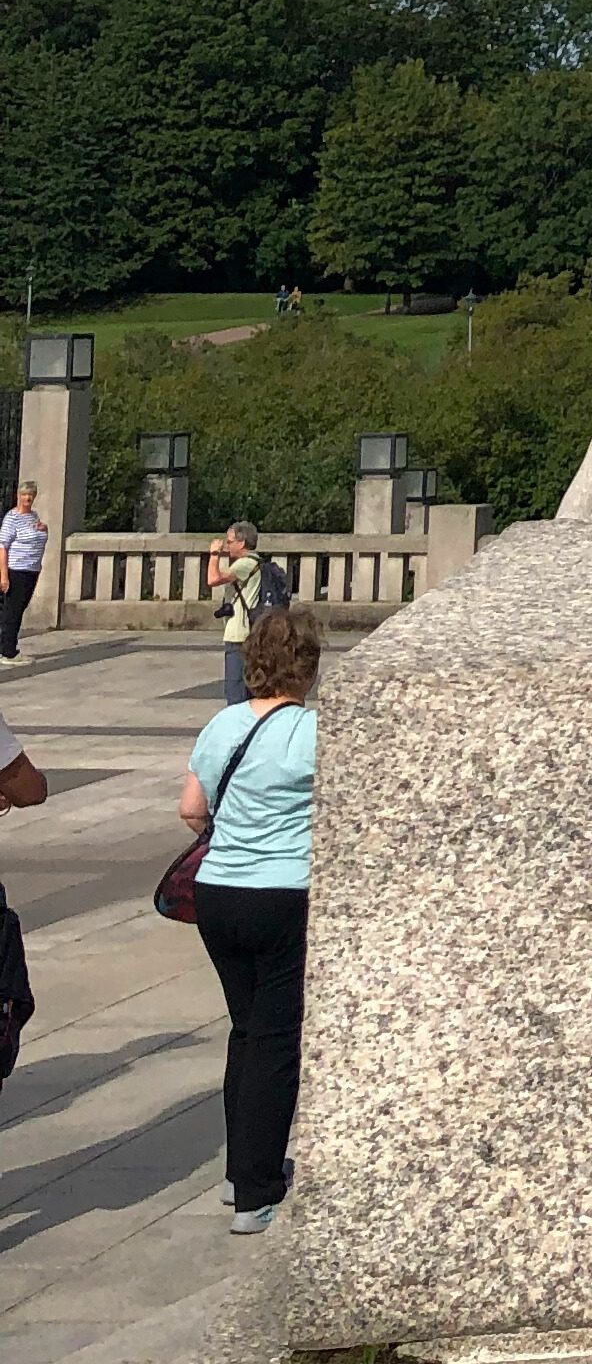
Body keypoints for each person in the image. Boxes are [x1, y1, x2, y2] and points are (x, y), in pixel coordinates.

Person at [180, 606, 320, 1235]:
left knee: (243, 1030)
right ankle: (257, 1191)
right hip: (283, 893)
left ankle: (240, 1170)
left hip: (217, 892)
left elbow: (190, 808)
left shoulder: (223, 722)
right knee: (275, 1039)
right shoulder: (312, 731)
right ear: (308, 668)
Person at [210, 526, 266, 708]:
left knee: (236, 694)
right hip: (248, 633)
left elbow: (213, 579)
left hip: (239, 636)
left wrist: (214, 554)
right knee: (249, 692)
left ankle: (240, 725)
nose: (227, 546)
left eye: (230, 541)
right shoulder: (255, 562)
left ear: (241, 543)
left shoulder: (245, 564)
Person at [0, 485, 48, 660]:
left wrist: (44, 529)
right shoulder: (12, 518)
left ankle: (5, 645)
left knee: (19, 608)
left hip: (32, 569)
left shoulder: (33, 516)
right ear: (18, 495)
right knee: (13, 610)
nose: (27, 498)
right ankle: (8, 652)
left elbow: (35, 536)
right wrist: (4, 576)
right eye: (24, 494)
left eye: (30, 495)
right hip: (17, 569)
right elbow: (3, 547)